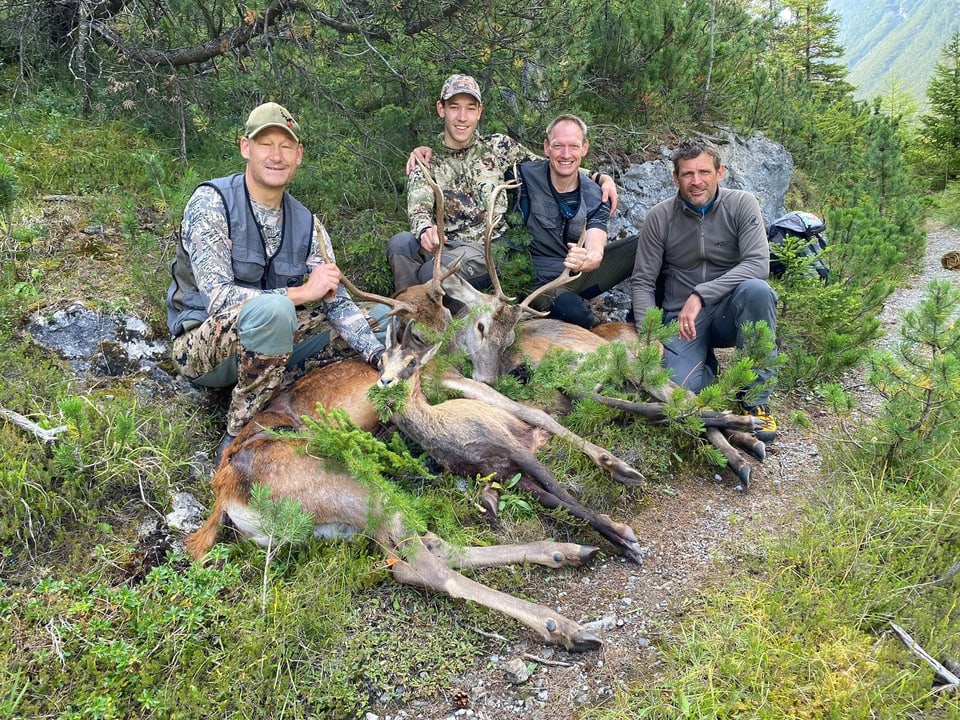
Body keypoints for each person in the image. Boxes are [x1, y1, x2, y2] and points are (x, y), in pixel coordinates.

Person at [166, 102, 386, 461]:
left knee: (381, 319)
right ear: (245, 148)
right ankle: (239, 435)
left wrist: (379, 355)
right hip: (204, 349)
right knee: (275, 309)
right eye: (266, 144)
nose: (276, 156)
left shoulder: (306, 222)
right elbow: (219, 298)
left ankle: (301, 400)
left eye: (286, 146)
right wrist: (302, 292)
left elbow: (338, 301)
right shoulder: (211, 203)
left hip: (270, 341)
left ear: (298, 155)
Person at [387, 74, 618, 294]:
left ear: (479, 112)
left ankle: (435, 319)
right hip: (444, 243)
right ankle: (410, 312)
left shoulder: (499, 147)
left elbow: (552, 163)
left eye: (470, 108)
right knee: (400, 243)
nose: (462, 117)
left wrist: (599, 177)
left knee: (433, 272)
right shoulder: (426, 159)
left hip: (489, 248)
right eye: (454, 107)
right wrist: (426, 230)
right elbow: (419, 206)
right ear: (442, 109)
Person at [630, 136, 778, 441]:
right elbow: (643, 281)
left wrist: (702, 293)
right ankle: (706, 366)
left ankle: (755, 401)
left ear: (720, 172)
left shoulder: (741, 204)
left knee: (758, 291)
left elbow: (757, 265)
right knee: (681, 394)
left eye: (704, 172)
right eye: (687, 174)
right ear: (676, 178)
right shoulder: (660, 217)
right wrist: (649, 334)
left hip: (729, 312)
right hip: (682, 323)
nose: (696, 181)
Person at [513, 114, 637, 328]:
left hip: (577, 273)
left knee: (647, 244)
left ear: (584, 148)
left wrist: (588, 258)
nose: (566, 154)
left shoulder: (597, 195)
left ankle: (644, 329)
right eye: (558, 146)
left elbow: (596, 247)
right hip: (537, 281)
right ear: (546, 147)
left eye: (574, 146)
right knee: (578, 314)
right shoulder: (521, 176)